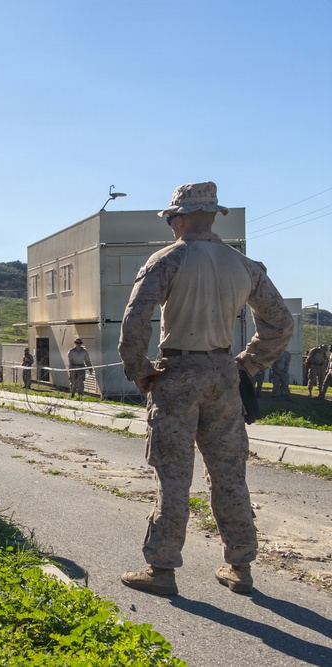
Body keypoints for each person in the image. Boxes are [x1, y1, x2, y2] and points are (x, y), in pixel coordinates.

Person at [118, 181, 292, 596]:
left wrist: (139, 371)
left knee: (174, 475)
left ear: (177, 219)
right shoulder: (244, 265)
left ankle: (162, 570)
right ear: (213, 216)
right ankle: (240, 566)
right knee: (230, 475)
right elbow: (281, 323)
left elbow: (135, 323)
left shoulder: (168, 260)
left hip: (177, 373)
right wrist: (248, 363)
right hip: (223, 373)